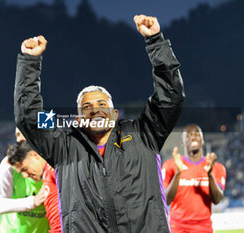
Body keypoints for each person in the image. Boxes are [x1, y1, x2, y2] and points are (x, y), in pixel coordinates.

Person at [14, 14, 185, 233]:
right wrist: (29, 63)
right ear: (78, 120)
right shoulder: (63, 147)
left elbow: (171, 95)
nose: (95, 109)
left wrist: (156, 42)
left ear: (114, 114)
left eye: (101, 104)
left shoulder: (144, 133)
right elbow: (28, 118)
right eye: (86, 107)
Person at [162, 124, 226, 233]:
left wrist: (210, 174)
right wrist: (178, 173)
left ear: (202, 140)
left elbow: (217, 200)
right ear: (182, 142)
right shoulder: (170, 165)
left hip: (204, 227)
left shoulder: (216, 167)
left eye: (197, 134)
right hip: (178, 227)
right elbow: (166, 200)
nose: (193, 137)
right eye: (188, 135)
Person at [0, 128, 49, 233]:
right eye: (16, 135)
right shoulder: (9, 164)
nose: (19, 139)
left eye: (20, 134)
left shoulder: (52, 166)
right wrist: (33, 201)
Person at [8, 141, 62, 233]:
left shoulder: (54, 169)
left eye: (24, 169)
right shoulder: (47, 175)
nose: (25, 176)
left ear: (34, 155)